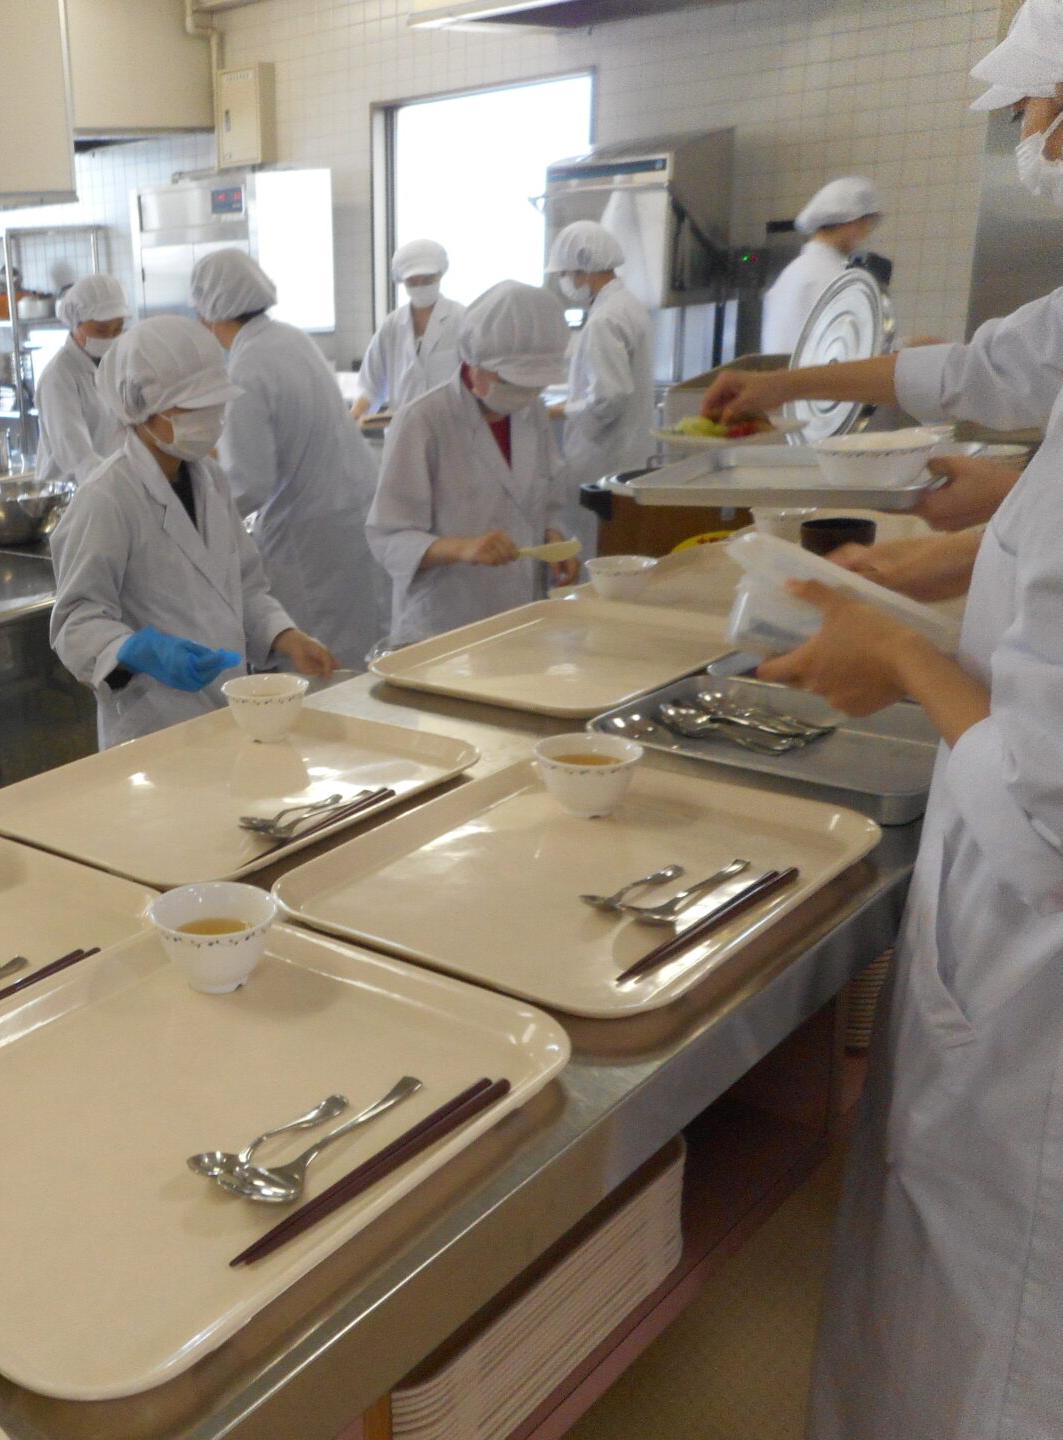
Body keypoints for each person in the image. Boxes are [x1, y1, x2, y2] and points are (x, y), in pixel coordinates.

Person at [702, 8, 1063, 1434]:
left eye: (1041, 107)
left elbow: (1042, 818)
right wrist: (939, 546)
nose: (1033, 140)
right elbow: (973, 376)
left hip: (1037, 968)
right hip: (1009, 928)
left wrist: (900, 658)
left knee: (993, 1310)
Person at [48, 316, 337, 749]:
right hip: (151, 727)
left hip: (231, 713)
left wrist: (285, 636)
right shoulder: (106, 496)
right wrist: (135, 651)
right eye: (192, 407)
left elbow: (244, 588)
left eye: (214, 404)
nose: (210, 418)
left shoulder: (211, 481)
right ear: (140, 407)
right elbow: (76, 621)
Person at [191, 248, 387, 668]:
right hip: (349, 517)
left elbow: (249, 483)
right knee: (356, 647)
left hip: (309, 536)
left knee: (317, 662)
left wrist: (194, 520)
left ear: (209, 313)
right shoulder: (291, 338)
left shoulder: (247, 366)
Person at [366, 281, 579, 647]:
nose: (525, 394)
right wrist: (463, 548)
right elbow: (389, 538)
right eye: (511, 380)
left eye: (535, 385)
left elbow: (547, 497)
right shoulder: (423, 420)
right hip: (443, 623)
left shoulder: (530, 411)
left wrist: (553, 538)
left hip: (518, 612)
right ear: (473, 362)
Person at [545, 220, 654, 550]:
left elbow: (610, 397)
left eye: (566, 273)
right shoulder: (627, 306)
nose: (565, 281)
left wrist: (561, 411)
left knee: (594, 550)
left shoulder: (604, 320)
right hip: (627, 454)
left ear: (584, 270)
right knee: (617, 546)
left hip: (603, 461)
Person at [760, 176, 882, 353]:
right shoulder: (835, 279)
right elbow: (852, 352)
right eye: (868, 224)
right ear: (853, 223)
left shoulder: (792, 273)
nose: (865, 234)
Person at [34, 274, 131, 486]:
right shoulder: (58, 376)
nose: (111, 337)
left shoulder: (117, 366)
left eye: (118, 328)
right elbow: (77, 457)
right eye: (101, 330)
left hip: (109, 485)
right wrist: (118, 487)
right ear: (75, 324)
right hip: (68, 493)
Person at [353, 239, 466, 420]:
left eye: (427, 280)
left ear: (440, 275)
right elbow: (370, 386)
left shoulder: (461, 318)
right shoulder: (392, 325)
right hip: (402, 429)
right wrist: (355, 416)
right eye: (412, 282)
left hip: (451, 427)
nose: (420, 287)